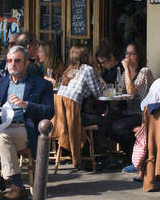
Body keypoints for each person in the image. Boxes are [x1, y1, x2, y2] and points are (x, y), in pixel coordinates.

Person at [0, 46, 55, 200]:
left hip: (25, 127)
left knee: (1, 137)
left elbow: (49, 111)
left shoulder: (41, 84)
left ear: (26, 64)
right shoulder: (1, 83)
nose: (12, 64)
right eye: (9, 61)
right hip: (2, 126)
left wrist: (26, 105)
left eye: (17, 61)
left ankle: (17, 186)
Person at [56, 45, 112, 158]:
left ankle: (85, 153)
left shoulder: (71, 70)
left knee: (94, 115)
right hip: (73, 116)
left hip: (61, 117)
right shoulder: (87, 69)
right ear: (87, 56)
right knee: (105, 121)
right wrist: (100, 78)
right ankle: (100, 156)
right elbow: (98, 93)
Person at [110, 42, 154, 171]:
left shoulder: (145, 72)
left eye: (132, 53)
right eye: (126, 53)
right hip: (129, 113)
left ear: (138, 56)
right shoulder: (125, 74)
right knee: (108, 124)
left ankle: (134, 159)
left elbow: (131, 92)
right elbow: (120, 92)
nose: (128, 56)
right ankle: (129, 157)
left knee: (118, 127)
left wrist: (126, 70)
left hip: (142, 114)